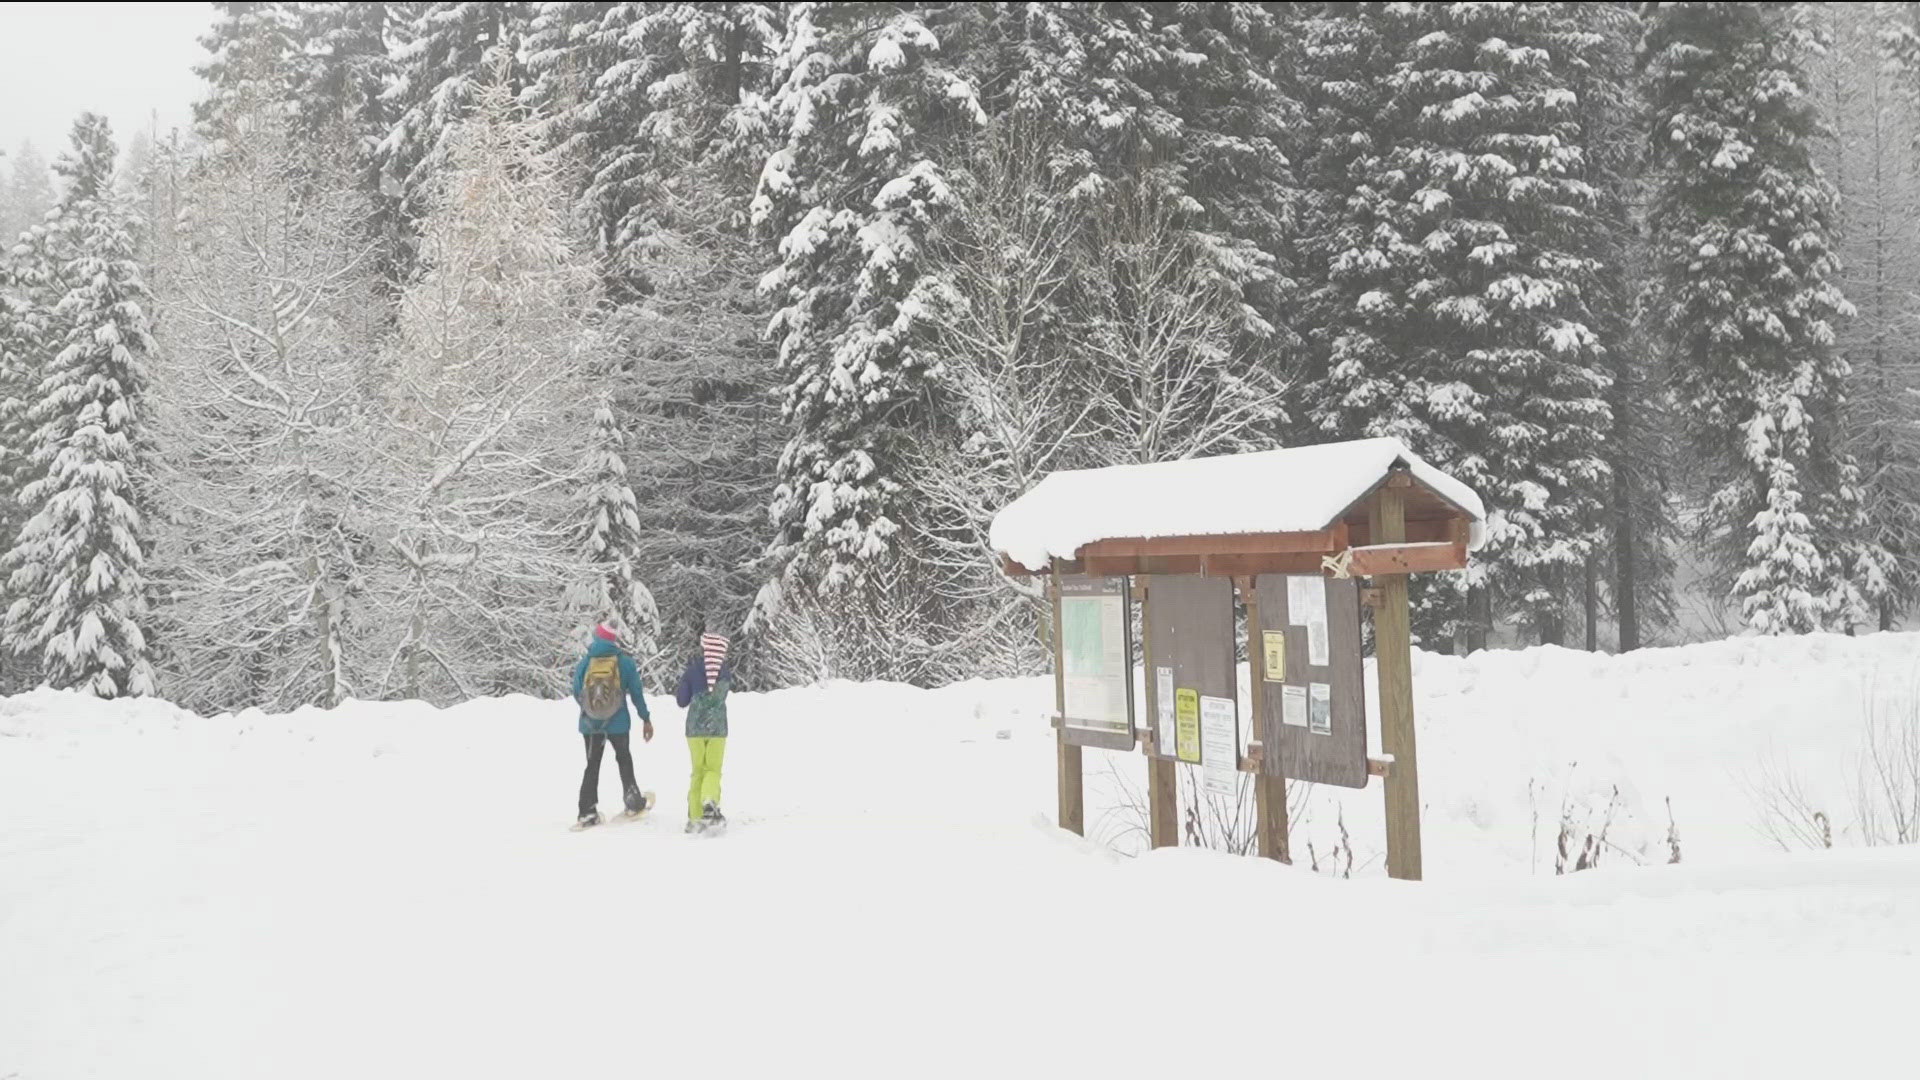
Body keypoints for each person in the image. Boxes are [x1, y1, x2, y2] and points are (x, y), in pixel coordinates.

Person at [571, 621, 654, 828]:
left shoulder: (586, 662)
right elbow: (636, 693)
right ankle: (633, 803)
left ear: (597, 638)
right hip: (618, 723)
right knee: (624, 759)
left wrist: (591, 710)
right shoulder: (625, 663)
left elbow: (576, 690)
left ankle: (587, 812)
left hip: (590, 726)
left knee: (592, 764)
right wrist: (645, 718)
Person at [675, 621, 734, 833]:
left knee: (697, 771)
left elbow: (681, 701)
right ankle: (709, 801)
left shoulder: (692, 671)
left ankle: (695, 817)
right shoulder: (725, 672)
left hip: (694, 730)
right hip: (718, 729)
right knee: (713, 770)